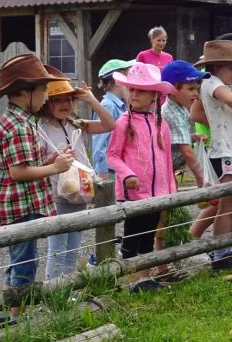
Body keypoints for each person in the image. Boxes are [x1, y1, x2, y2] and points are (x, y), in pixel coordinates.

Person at [0, 54, 72, 328]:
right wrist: (54, 168)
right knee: (25, 262)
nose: (46, 96)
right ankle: (15, 318)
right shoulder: (19, 126)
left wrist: (47, 161)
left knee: (20, 259)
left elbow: (25, 163)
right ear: (24, 91)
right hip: (19, 206)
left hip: (21, 203)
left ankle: (5, 313)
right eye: (43, 89)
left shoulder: (21, 120)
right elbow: (18, 172)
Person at [35, 76, 116, 281]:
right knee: (57, 248)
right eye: (57, 100)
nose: (64, 104)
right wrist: (53, 160)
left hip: (80, 193)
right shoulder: (41, 130)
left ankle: (68, 288)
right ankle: (54, 290)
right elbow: (38, 165)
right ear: (46, 104)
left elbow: (109, 125)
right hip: (57, 197)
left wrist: (91, 100)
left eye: (69, 99)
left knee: (73, 248)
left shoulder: (77, 125)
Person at [106, 62, 176, 293]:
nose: (134, 94)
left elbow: (166, 160)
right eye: (132, 89)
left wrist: (170, 190)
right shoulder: (123, 123)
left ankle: (143, 279)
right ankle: (129, 279)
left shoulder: (161, 125)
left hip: (157, 193)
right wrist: (127, 174)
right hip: (135, 193)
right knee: (132, 236)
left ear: (154, 95)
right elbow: (112, 156)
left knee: (148, 235)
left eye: (141, 90)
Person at [189, 39, 232, 270]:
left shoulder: (224, 85)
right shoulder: (211, 82)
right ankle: (221, 253)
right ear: (217, 66)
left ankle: (227, 245)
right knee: (228, 204)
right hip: (224, 151)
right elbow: (229, 100)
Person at [154, 60, 210, 280]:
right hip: (163, 174)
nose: (195, 93)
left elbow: (177, 139)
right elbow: (186, 152)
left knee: (164, 221)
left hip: (167, 173)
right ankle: (160, 268)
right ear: (173, 89)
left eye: (197, 88)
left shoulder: (177, 109)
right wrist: (201, 179)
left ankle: (162, 266)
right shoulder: (173, 112)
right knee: (162, 221)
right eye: (190, 88)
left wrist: (193, 136)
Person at [90, 59, 133, 177]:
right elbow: (100, 143)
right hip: (110, 172)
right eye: (128, 79)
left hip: (119, 168)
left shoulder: (121, 106)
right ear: (118, 81)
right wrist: (102, 173)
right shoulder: (108, 106)